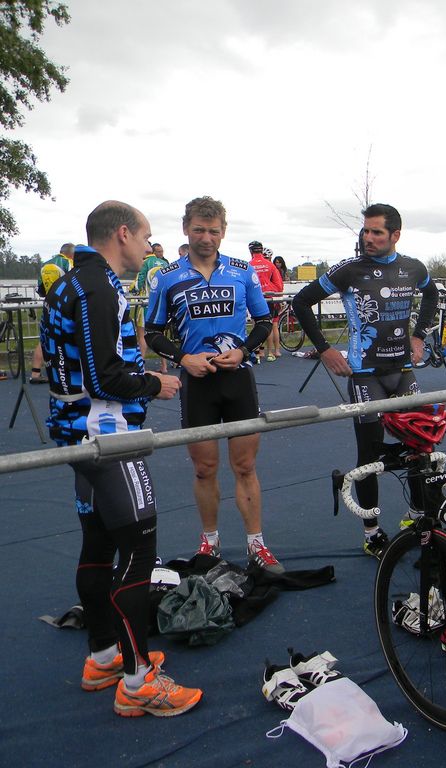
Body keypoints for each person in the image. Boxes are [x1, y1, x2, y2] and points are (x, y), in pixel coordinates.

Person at [40, 200, 201, 717]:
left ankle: (104, 656)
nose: (149, 246)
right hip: (104, 433)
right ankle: (137, 683)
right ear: (124, 234)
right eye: (147, 236)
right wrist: (157, 381)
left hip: (82, 433)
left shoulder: (75, 281)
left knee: (99, 541)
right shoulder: (94, 286)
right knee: (138, 548)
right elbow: (104, 375)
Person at [144, 196, 283, 573]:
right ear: (185, 229)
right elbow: (153, 332)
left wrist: (244, 351)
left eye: (213, 230)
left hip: (237, 379)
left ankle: (257, 544)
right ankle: (210, 543)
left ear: (224, 232)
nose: (206, 237)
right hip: (198, 384)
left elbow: (264, 322)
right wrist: (182, 358)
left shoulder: (242, 272)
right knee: (204, 469)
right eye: (199, 229)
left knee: (245, 465)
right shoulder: (167, 277)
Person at [291, 203, 439, 558]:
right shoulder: (349, 269)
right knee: (369, 455)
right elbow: (300, 302)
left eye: (376, 232)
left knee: (421, 447)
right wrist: (326, 349)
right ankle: (371, 531)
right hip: (365, 375)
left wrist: (419, 336)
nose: (368, 238)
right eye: (365, 231)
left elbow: (432, 293)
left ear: (395, 235)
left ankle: (416, 516)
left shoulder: (413, 267)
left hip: (403, 372)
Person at [30, 242, 75, 383]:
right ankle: (69, 371)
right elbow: (75, 281)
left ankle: (35, 373)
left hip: (49, 305)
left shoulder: (45, 265)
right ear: (71, 254)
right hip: (66, 306)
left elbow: (40, 288)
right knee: (70, 337)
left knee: (44, 337)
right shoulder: (68, 262)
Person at [133, 242, 169, 373]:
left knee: (142, 335)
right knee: (161, 336)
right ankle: (164, 366)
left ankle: (140, 365)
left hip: (146, 304)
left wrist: (133, 290)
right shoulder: (165, 264)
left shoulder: (145, 263)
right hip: (162, 305)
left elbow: (137, 283)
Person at [248, 241, 283, 362]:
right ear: (261, 251)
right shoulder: (270, 265)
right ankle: (271, 353)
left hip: (255, 298)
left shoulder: (248, 265)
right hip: (269, 298)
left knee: (255, 325)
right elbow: (279, 286)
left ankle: (258, 353)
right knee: (271, 325)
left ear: (251, 251)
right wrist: (269, 288)